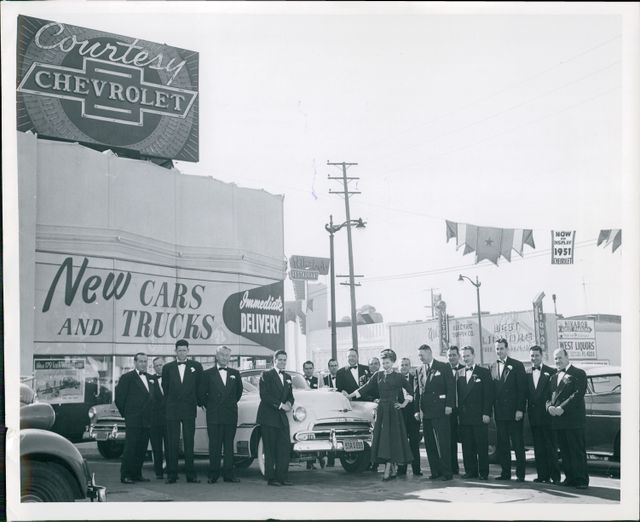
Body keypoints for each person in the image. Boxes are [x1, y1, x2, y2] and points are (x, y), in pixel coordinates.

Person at [344, 349, 413, 481]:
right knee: (384, 439)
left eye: (387, 362)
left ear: (393, 362)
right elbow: (365, 388)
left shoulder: (399, 377)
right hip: (382, 410)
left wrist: (403, 404)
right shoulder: (378, 375)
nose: (385, 365)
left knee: (392, 439)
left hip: (394, 411)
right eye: (383, 363)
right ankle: (391, 468)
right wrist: (349, 396)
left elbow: (410, 391)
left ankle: (388, 469)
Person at [198, 345, 243, 484]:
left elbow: (238, 393)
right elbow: (200, 395)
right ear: (216, 356)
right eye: (222, 355)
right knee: (215, 445)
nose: (225, 358)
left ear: (230, 357)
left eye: (227, 355)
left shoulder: (235, 373)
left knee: (229, 445)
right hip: (214, 414)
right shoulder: (207, 374)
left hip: (230, 414)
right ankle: (213, 474)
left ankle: (229, 474)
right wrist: (211, 406)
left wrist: (228, 404)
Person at [546, 348, 589, 489]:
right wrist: (549, 408)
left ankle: (581, 479)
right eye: (555, 358)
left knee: (576, 450)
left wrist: (561, 408)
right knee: (564, 451)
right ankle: (570, 478)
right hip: (558, 420)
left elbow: (577, 395)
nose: (557, 361)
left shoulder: (579, 373)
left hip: (573, 420)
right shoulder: (553, 377)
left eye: (560, 358)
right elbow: (549, 397)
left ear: (567, 357)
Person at [162, 339, 203, 484]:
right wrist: (170, 403)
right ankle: (172, 475)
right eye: (179, 350)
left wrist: (199, 402)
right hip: (172, 409)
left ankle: (191, 475)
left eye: (184, 350)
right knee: (172, 442)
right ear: (175, 351)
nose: (182, 353)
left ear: (188, 351)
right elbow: (165, 388)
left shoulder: (196, 366)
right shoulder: (167, 368)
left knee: (189, 442)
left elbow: (200, 387)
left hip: (189, 408)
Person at [414, 344, 455, 481]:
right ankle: (435, 471)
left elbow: (450, 387)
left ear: (429, 353)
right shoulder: (419, 370)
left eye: (421, 355)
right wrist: (416, 410)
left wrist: (449, 405)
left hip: (441, 410)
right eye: (419, 355)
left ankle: (447, 472)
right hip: (426, 413)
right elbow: (417, 393)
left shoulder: (443, 367)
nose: (420, 358)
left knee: (443, 443)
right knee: (430, 443)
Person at [256, 350, 295, 486]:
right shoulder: (266, 375)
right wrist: (280, 405)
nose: (283, 362)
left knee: (284, 448)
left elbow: (290, 395)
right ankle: (271, 478)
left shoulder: (288, 377)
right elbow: (264, 395)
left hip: (282, 418)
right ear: (274, 360)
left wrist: (290, 403)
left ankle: (282, 477)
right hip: (268, 417)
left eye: (285, 360)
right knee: (270, 448)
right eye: (280, 360)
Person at [490, 338, 527, 482]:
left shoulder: (517, 365)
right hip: (500, 413)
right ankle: (505, 473)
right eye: (497, 349)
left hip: (514, 412)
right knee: (503, 444)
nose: (499, 351)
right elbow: (492, 391)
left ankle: (520, 474)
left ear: (507, 349)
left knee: (518, 444)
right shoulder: (492, 366)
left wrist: (520, 409)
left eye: (501, 348)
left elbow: (522, 390)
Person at [114, 352, 152, 484]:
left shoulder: (150, 378)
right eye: (141, 361)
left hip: (147, 420)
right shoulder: (127, 377)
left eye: (145, 361)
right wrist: (127, 414)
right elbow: (119, 398)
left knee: (142, 449)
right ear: (135, 362)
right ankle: (125, 475)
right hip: (133, 419)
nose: (143, 364)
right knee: (131, 448)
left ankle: (137, 474)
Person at [457, 346, 493, 480]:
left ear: (474, 355)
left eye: (468, 355)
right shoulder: (459, 373)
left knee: (481, 446)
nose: (466, 358)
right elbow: (458, 396)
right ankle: (470, 471)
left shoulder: (483, 372)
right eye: (464, 356)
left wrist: (486, 413)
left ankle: (483, 472)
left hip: (479, 415)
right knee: (467, 446)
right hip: (465, 416)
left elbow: (488, 395)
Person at [525, 345, 560, 484]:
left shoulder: (551, 372)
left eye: (536, 355)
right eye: (532, 356)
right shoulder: (527, 372)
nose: (534, 358)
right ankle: (542, 475)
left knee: (550, 447)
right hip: (534, 416)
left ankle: (555, 477)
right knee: (538, 448)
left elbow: (554, 393)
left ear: (542, 356)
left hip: (548, 416)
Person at [397, 357, 422, 477]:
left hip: (413, 416)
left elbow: (418, 396)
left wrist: (418, 412)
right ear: (398, 366)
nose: (404, 367)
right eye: (402, 365)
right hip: (399, 416)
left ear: (410, 366)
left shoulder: (415, 379)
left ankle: (416, 469)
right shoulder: (394, 380)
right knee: (401, 443)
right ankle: (401, 469)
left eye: (406, 364)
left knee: (414, 444)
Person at [447, 346, 465, 475]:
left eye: (454, 355)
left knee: (466, 439)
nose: (452, 357)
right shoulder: (444, 370)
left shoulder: (465, 369)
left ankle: (470, 467)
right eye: (449, 355)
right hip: (450, 411)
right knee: (451, 440)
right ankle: (453, 467)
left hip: (464, 410)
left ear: (458, 356)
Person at [148, 356, 167, 480]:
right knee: (156, 447)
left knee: (170, 445)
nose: (159, 367)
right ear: (154, 368)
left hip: (169, 418)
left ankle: (171, 470)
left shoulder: (172, 379)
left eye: (161, 365)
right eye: (157, 365)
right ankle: (158, 472)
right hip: (154, 419)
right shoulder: (150, 380)